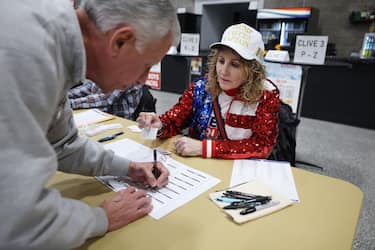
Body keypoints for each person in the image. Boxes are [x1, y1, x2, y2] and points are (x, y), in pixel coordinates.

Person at [0, 0, 180, 249]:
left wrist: (129, 168)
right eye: (146, 65)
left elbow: (62, 144)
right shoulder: (30, 50)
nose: (142, 80)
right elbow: (16, 220)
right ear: (120, 41)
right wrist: (101, 218)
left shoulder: (54, 40)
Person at [137, 23, 280, 159]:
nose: (223, 71)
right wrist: (160, 123)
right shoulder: (201, 87)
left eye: (235, 65)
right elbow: (176, 119)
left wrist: (205, 148)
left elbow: (262, 145)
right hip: (200, 169)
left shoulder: (265, 95)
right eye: (221, 61)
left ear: (252, 70)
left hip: (240, 173)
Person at [68, 80, 155, 120]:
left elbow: (106, 99)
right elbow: (89, 87)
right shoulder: (106, 67)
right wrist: (64, 96)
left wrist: (70, 103)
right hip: (100, 116)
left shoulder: (126, 71)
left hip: (119, 122)